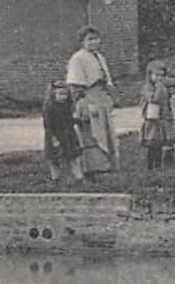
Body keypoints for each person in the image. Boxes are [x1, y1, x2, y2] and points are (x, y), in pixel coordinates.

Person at [65, 27, 118, 176]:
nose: (94, 42)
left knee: (105, 130)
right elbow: (75, 84)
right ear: (82, 42)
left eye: (96, 39)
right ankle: (93, 167)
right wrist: (82, 102)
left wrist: (110, 96)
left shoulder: (100, 57)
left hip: (101, 96)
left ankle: (107, 164)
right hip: (88, 97)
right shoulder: (78, 58)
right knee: (92, 131)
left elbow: (106, 80)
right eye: (90, 39)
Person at [138, 60, 175, 170]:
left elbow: (172, 101)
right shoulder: (147, 88)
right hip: (153, 121)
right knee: (153, 144)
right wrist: (160, 88)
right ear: (150, 75)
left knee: (168, 143)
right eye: (156, 75)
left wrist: (174, 95)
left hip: (165, 119)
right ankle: (152, 166)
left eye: (162, 75)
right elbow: (154, 99)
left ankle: (166, 165)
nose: (159, 78)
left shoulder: (165, 88)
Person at [41, 80, 84, 183]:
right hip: (56, 135)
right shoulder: (49, 108)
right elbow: (48, 125)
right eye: (60, 94)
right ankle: (55, 178)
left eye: (65, 94)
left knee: (73, 157)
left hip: (69, 135)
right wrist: (53, 138)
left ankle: (79, 177)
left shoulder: (67, 106)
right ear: (53, 94)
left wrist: (77, 121)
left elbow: (68, 120)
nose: (63, 97)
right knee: (55, 159)